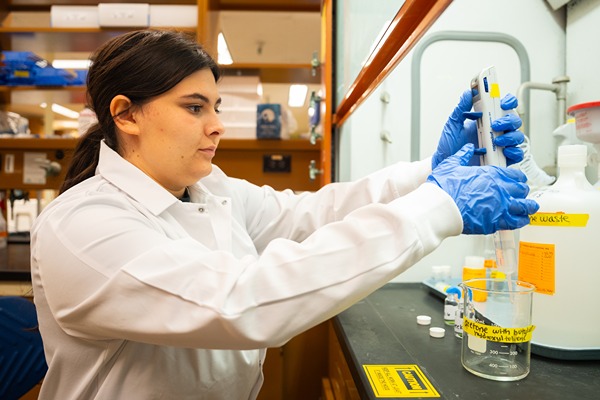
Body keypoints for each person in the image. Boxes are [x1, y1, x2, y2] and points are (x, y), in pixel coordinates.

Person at [30, 30, 538, 399]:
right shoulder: (84, 225)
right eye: (194, 108)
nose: (217, 127)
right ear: (126, 114)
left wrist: (432, 172)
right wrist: (441, 205)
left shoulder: (207, 189)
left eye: (217, 107)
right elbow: (242, 302)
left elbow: (312, 214)